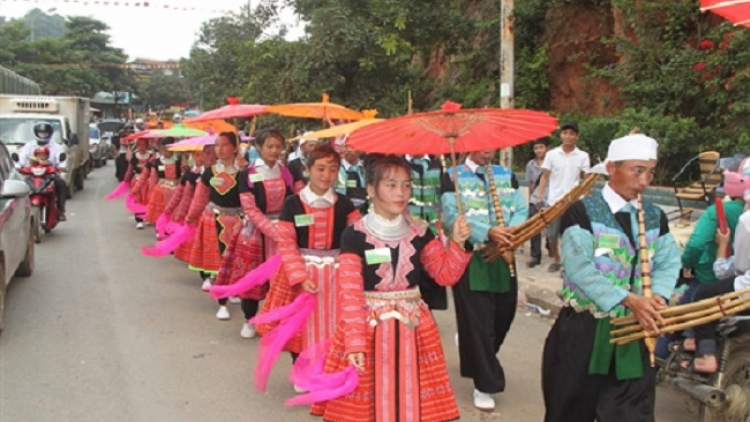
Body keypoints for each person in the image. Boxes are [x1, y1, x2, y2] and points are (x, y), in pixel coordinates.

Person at [310, 154, 473, 422]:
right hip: (368, 330)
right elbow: (349, 294)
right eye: (392, 185)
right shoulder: (354, 234)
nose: (401, 193)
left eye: (407, 185)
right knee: (369, 406)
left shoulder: (421, 230)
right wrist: (354, 344)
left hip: (414, 329)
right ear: (371, 190)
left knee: (410, 404)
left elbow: (445, 276)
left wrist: (458, 242)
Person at [541, 134, 681, 422]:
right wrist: (628, 299)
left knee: (630, 411)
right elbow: (579, 269)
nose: (645, 181)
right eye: (637, 170)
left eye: (650, 172)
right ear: (611, 168)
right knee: (572, 409)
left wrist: (659, 295)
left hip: (634, 329)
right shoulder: (581, 212)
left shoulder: (654, 216)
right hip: (585, 328)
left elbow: (668, 261)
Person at [255, 144, 361, 386]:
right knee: (301, 326)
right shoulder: (293, 204)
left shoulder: (345, 204)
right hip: (302, 273)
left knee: (334, 324)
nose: (326, 175)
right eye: (320, 168)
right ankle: (301, 371)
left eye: (332, 169)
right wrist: (299, 276)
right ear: (307, 169)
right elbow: (286, 242)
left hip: (337, 274)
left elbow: (357, 236)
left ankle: (330, 368)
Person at [441, 150, 527, 411]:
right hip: (471, 258)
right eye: (481, 145)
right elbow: (449, 217)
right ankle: (485, 383)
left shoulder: (506, 175)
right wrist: (487, 231)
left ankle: (474, 350)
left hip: (503, 256)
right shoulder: (452, 177)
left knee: (503, 316)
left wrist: (513, 229)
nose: (487, 150)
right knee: (479, 324)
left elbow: (521, 208)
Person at [656, 171, 746, 359]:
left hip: (712, 278)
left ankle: (656, 362)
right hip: (735, 285)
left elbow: (697, 244)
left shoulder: (721, 213)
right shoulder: (740, 214)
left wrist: (686, 264)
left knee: (674, 323)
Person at [213, 129, 295, 331]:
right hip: (255, 232)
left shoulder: (286, 172)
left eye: (278, 147)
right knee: (252, 279)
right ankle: (249, 319)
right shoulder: (247, 175)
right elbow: (249, 208)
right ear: (258, 147)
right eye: (270, 146)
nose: (274, 151)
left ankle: (274, 319)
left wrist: (288, 226)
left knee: (282, 279)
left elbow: (295, 200)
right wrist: (273, 231)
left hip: (283, 229)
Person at [687, 209, 750, 373]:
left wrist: (722, 244)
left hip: (746, 291)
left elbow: (739, 267)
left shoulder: (746, 219)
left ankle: (705, 354)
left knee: (703, 295)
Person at [184, 132, 244, 299]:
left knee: (234, 255)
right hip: (213, 217)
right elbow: (200, 196)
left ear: (235, 147)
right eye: (217, 145)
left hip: (238, 219)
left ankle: (233, 287)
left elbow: (250, 197)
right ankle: (212, 278)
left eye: (225, 145)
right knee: (215, 251)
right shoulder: (209, 172)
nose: (220, 149)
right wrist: (191, 216)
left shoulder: (244, 172)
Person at [536, 122, 591, 272]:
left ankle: (568, 265)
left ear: (576, 137)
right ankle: (556, 259)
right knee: (552, 235)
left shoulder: (583, 156)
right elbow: (545, 176)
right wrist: (540, 196)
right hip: (554, 202)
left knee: (571, 236)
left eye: (571, 133)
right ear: (561, 135)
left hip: (574, 202)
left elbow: (586, 179)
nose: (568, 136)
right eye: (565, 133)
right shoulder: (552, 154)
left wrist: (585, 197)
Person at [171, 146, 216, 267]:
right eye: (202, 154)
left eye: (211, 153)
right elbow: (185, 196)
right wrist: (182, 215)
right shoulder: (192, 175)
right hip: (198, 213)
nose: (205, 157)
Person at [19, 122, 69, 221]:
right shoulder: (29, 146)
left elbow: (61, 161)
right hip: (33, 175)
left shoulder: (56, 147)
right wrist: (19, 166)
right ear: (36, 133)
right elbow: (22, 160)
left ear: (49, 133)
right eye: (41, 133)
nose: (43, 135)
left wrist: (61, 167)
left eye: (45, 133)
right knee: (20, 188)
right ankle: (20, 211)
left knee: (61, 184)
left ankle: (60, 209)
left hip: (49, 175)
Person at [137, 138, 182, 226]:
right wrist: (151, 192)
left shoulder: (178, 162)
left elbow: (182, 176)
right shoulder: (157, 162)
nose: (165, 152)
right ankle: (160, 227)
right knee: (160, 211)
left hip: (175, 190)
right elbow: (153, 178)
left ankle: (171, 227)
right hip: (160, 191)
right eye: (163, 149)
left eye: (167, 149)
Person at [406, 154, 451, 234]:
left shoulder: (436, 165)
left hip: (433, 226)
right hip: (407, 225)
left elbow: (442, 196)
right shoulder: (399, 165)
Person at [526, 137, 550, 268]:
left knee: (552, 226)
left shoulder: (553, 162)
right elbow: (530, 184)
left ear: (547, 148)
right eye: (536, 148)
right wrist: (531, 200)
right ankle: (535, 256)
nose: (539, 150)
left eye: (541, 147)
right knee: (533, 226)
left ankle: (550, 244)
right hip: (536, 198)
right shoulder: (530, 165)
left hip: (551, 198)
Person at [124, 138, 155, 229]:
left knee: (148, 200)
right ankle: (139, 220)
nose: (142, 147)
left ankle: (148, 216)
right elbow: (130, 170)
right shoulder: (134, 157)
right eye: (140, 145)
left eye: (144, 145)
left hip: (149, 182)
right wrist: (125, 180)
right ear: (137, 146)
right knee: (138, 200)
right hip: (137, 181)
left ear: (147, 146)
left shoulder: (151, 157)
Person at [335, 145, 367, 213]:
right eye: (346, 147)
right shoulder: (336, 167)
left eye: (352, 147)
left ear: (360, 151)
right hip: (342, 208)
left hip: (363, 209)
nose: (349, 150)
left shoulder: (366, 167)